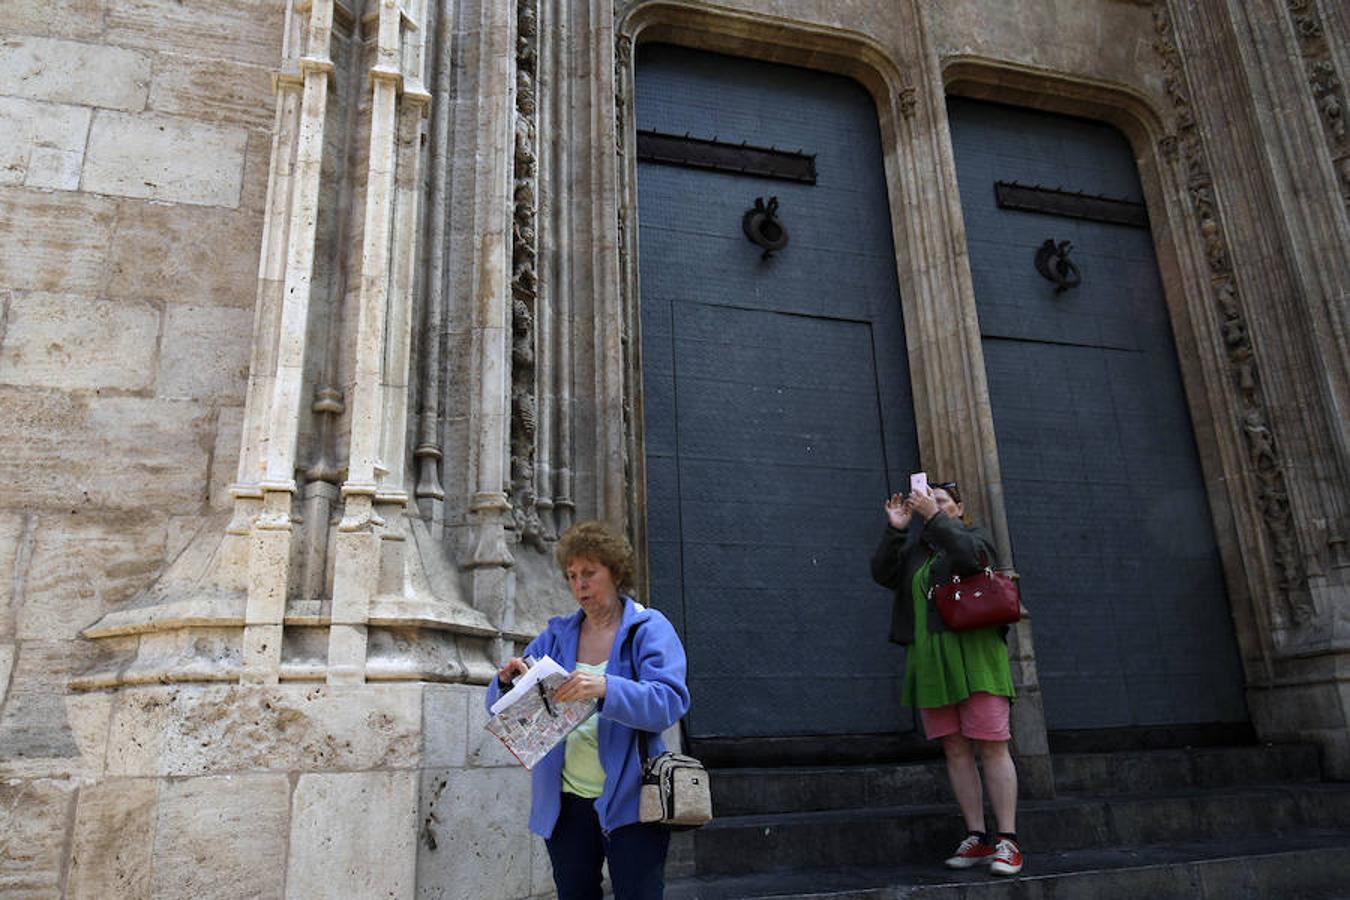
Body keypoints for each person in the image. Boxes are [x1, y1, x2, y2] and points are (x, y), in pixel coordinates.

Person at [487, 520, 691, 900]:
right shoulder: (557, 634)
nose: (579, 584)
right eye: (571, 575)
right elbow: (502, 708)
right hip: (566, 805)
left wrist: (606, 688)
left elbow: (668, 702)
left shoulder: (648, 628)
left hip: (633, 803)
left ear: (615, 572)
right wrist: (506, 681)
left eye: (589, 573)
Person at [869, 479, 1023, 876]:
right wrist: (897, 529)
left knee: (991, 744)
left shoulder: (974, 536)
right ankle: (977, 836)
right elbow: (883, 574)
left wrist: (934, 517)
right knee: (955, 748)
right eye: (925, 499)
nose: (927, 504)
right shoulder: (919, 551)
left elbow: (973, 558)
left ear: (957, 507)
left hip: (975, 654)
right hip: (929, 656)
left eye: (939, 500)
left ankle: (1008, 840)